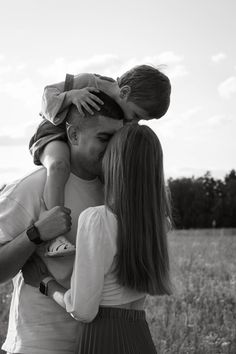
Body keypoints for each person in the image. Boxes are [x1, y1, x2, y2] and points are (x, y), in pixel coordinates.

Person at [23, 123, 172, 354]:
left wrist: (45, 283)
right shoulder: (159, 223)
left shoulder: (98, 220)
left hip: (104, 338)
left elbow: (83, 310)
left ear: (115, 163)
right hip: (141, 338)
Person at [0, 93, 124, 354]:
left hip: (99, 343)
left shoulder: (116, 193)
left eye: (118, 139)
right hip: (38, 345)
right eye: (104, 138)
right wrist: (35, 234)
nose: (113, 147)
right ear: (74, 135)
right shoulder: (31, 187)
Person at [29, 65, 171, 256]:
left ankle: (148, 218)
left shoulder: (122, 111)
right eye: (137, 115)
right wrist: (71, 96)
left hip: (82, 141)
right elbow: (48, 94)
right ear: (125, 92)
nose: (135, 122)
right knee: (59, 166)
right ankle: (54, 237)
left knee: (118, 171)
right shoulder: (90, 82)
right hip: (54, 133)